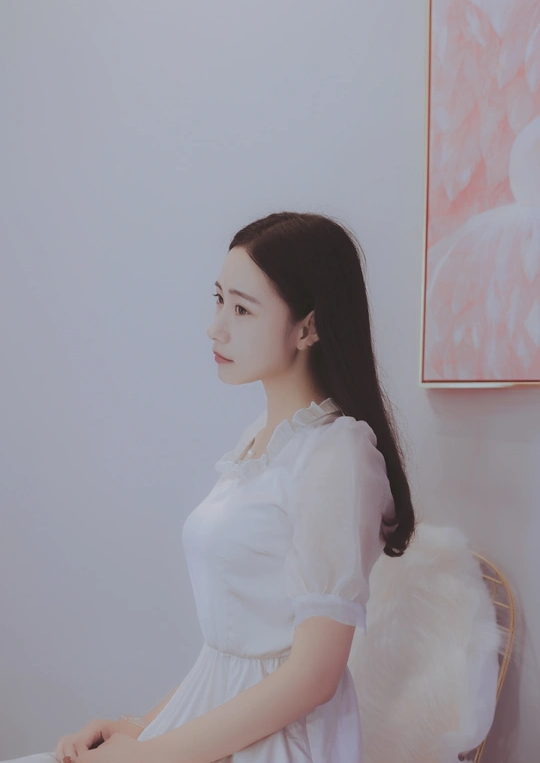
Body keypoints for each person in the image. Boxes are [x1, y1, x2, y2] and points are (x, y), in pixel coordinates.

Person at [5, 211, 416, 763]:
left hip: (279, 744)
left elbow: (313, 678)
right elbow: (231, 656)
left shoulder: (336, 455)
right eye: (219, 300)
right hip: (209, 727)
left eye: (242, 309)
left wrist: (149, 756)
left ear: (308, 328)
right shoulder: (262, 440)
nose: (215, 327)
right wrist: (134, 728)